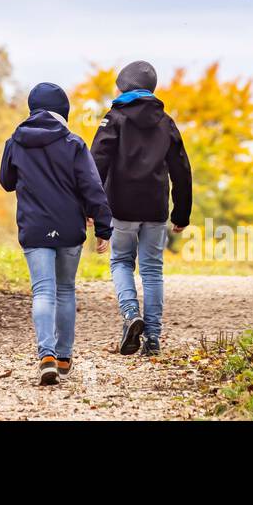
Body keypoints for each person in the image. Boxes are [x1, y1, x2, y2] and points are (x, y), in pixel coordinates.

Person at [0, 82, 113, 385]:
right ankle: (63, 357)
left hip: (34, 227)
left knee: (43, 291)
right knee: (65, 290)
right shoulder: (73, 143)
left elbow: (6, 181)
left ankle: (45, 354)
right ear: (64, 112)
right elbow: (92, 187)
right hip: (69, 228)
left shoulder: (16, 141)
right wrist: (103, 227)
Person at [89, 60, 193, 356]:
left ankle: (130, 313)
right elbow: (182, 169)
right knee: (152, 270)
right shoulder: (166, 122)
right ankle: (154, 338)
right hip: (155, 208)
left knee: (121, 261)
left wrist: (93, 209)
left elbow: (96, 163)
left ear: (123, 87)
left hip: (120, 207)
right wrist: (181, 212)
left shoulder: (115, 118)